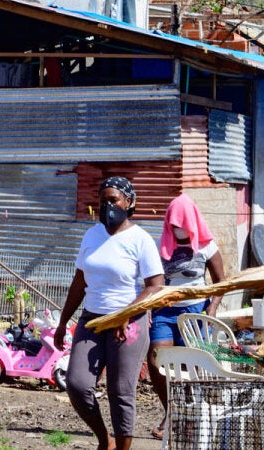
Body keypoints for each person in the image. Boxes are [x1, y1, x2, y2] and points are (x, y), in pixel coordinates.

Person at [54, 177, 165, 450]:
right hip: (92, 320)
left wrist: (127, 313)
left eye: (113, 200)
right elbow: (79, 282)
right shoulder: (91, 235)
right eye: (102, 200)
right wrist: (63, 322)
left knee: (120, 392)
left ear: (129, 202)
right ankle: (106, 440)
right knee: (78, 385)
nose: (107, 206)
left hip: (128, 323)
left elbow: (155, 284)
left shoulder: (140, 239)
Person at [145, 193, 227, 438]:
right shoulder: (163, 245)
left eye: (182, 223)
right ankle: (171, 411)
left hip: (195, 311)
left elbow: (222, 282)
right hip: (165, 311)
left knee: (189, 366)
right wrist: (150, 306)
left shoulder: (206, 246)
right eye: (174, 224)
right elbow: (153, 281)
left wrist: (212, 307)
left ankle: (190, 420)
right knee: (157, 360)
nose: (177, 229)